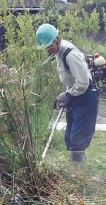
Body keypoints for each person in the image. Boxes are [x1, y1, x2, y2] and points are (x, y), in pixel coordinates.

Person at [36, 23, 99, 165]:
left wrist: (69, 95)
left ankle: (79, 173)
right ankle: (78, 168)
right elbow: (70, 78)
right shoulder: (59, 52)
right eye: (45, 48)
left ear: (57, 39)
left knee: (78, 138)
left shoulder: (71, 55)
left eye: (49, 46)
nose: (47, 50)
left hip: (87, 97)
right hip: (77, 96)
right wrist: (65, 95)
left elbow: (83, 83)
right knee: (71, 137)